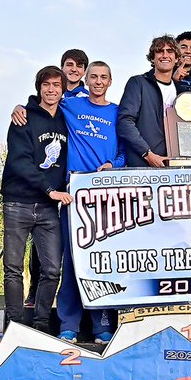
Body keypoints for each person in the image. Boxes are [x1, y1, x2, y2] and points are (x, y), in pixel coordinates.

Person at [55, 60, 123, 343]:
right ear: (86, 79)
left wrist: (113, 166)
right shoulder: (70, 105)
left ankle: (102, 323)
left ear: (109, 82)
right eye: (93, 76)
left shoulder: (117, 112)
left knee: (102, 260)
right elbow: (41, 104)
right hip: (75, 195)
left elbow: (124, 153)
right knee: (72, 260)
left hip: (105, 197)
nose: (97, 81)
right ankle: (68, 323)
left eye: (103, 77)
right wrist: (21, 108)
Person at [2, 66, 69, 332]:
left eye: (56, 85)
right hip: (18, 201)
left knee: (52, 269)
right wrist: (49, 189)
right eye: (46, 84)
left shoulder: (66, 119)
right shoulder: (23, 118)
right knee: (13, 268)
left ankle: (40, 324)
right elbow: (20, 162)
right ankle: (14, 324)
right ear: (39, 87)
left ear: (63, 90)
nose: (51, 89)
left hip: (49, 207)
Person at [119, 35, 187, 167]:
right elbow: (124, 122)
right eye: (160, 51)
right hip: (142, 165)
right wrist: (147, 154)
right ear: (152, 57)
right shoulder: (138, 83)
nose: (165, 55)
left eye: (170, 51)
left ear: (177, 58)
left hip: (174, 166)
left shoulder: (181, 92)